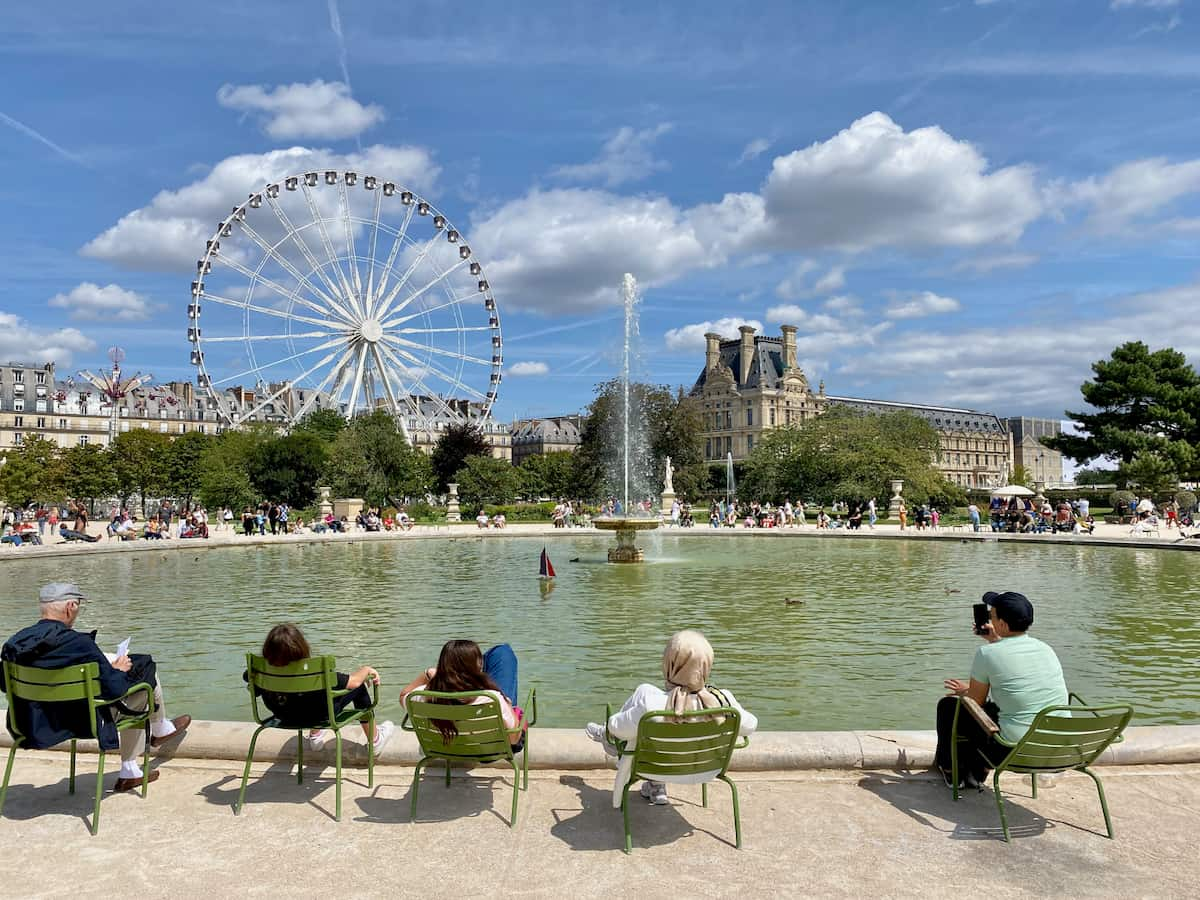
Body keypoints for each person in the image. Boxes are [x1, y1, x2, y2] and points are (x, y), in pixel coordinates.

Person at [0, 583, 191, 791]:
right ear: (70, 606)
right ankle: (135, 760)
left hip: (34, 723)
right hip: (84, 722)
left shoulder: (14, 643)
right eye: (79, 605)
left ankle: (158, 731)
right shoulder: (79, 644)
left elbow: (4, 684)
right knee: (143, 677)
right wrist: (118, 669)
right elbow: (114, 690)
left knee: (138, 670)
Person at [584, 630, 757, 807]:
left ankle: (606, 738)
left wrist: (611, 727)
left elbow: (617, 728)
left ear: (669, 663)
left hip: (655, 767)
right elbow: (750, 726)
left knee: (640, 698)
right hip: (707, 770)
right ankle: (655, 787)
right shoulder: (724, 702)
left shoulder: (651, 705)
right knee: (644, 694)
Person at [935, 591, 1067, 789]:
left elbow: (975, 703)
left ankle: (951, 770)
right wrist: (996, 641)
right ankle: (977, 772)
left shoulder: (987, 654)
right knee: (996, 711)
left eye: (992, 616)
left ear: (1003, 624)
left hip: (1014, 752)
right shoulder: (1046, 649)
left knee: (949, 707)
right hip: (1058, 749)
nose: (989, 618)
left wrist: (965, 692)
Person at [247, 623, 394, 754]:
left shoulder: (258, 671)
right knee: (359, 687)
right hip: (319, 716)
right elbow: (354, 682)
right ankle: (375, 740)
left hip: (282, 716)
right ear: (302, 647)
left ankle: (316, 737)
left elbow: (251, 686)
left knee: (310, 696)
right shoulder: (316, 672)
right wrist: (366, 669)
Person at [399, 640, 525, 747]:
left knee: (499, 653)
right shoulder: (491, 698)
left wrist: (427, 674)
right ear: (479, 666)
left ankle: (467, 666)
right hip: (492, 749)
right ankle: (477, 664)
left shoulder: (419, 696)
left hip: (444, 748)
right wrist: (508, 705)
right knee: (502, 652)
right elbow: (513, 739)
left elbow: (403, 695)